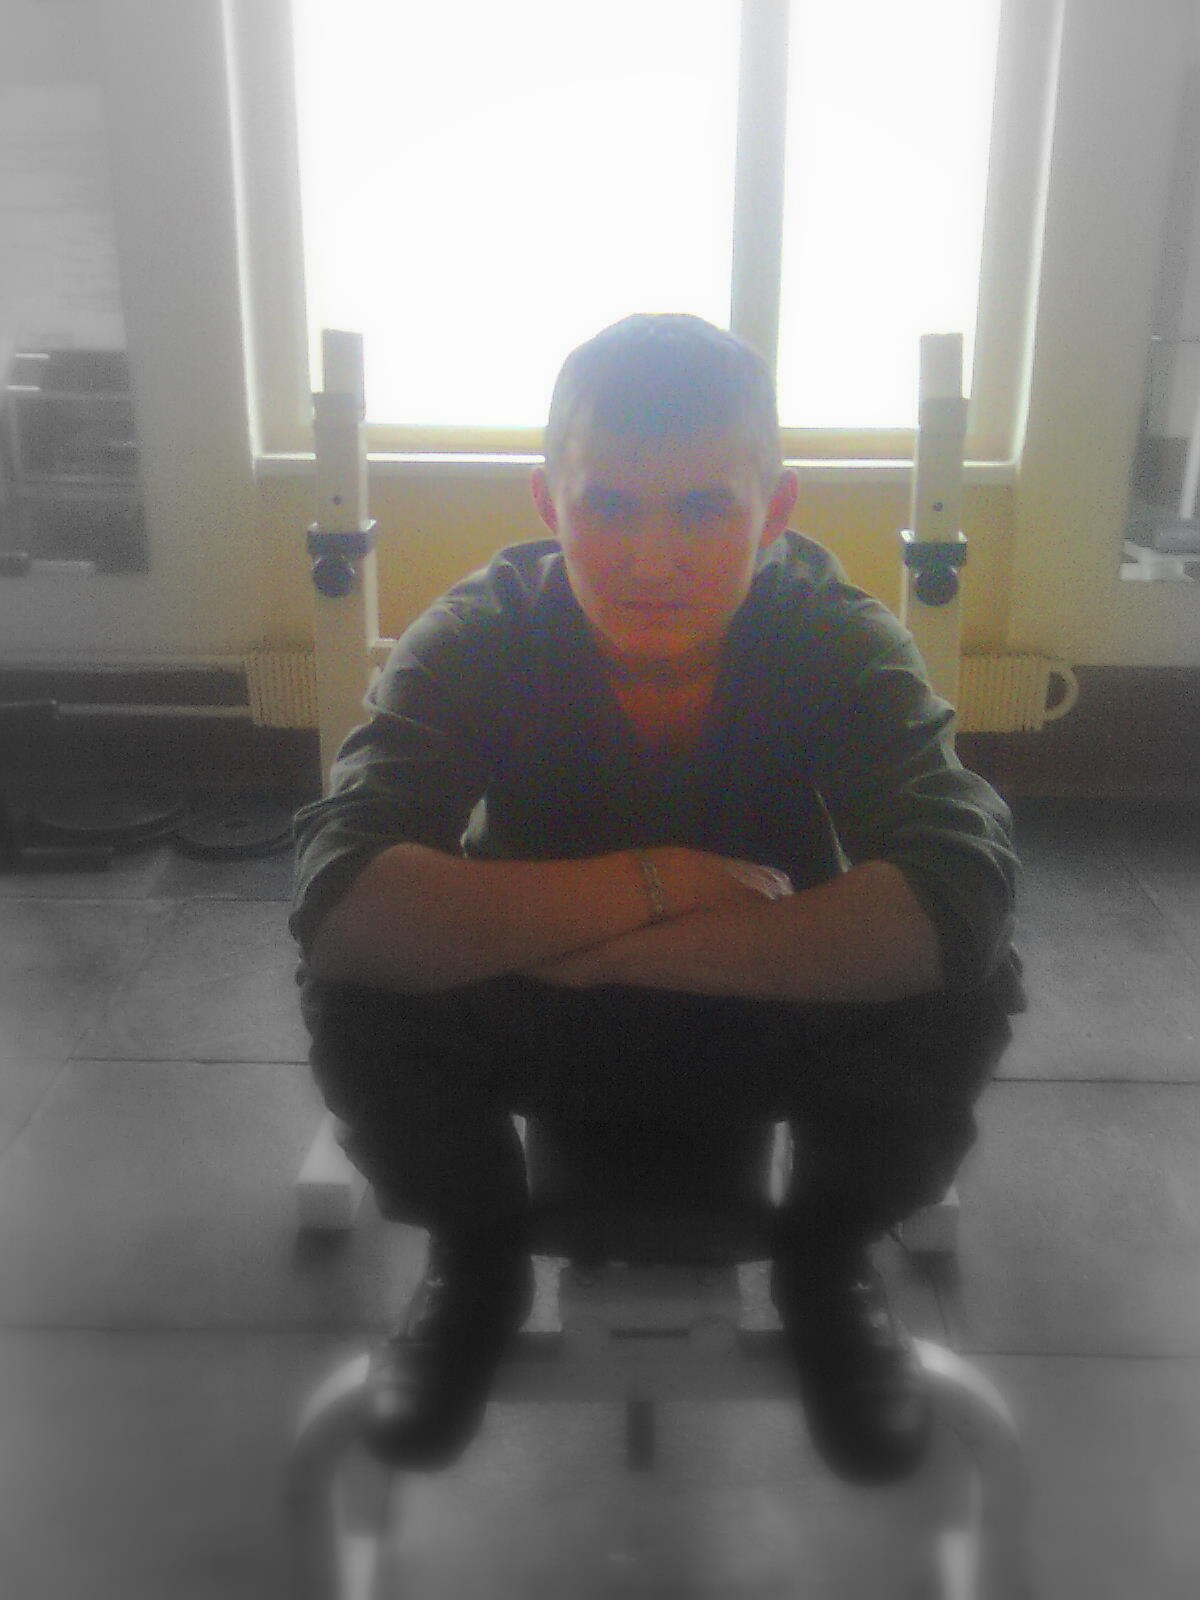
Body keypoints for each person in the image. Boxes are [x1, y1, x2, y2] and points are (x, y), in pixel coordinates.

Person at [291, 312, 1022, 1486]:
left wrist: (619, 944)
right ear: (549, 502)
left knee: (970, 974)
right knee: (359, 980)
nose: (650, 560)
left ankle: (825, 1256)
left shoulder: (831, 637)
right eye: (610, 506)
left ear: (775, 513)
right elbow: (339, 899)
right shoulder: (483, 633)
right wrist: (657, 881)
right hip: (541, 1021)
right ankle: (477, 1257)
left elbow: (960, 891)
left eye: (703, 510)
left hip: (747, 1007)